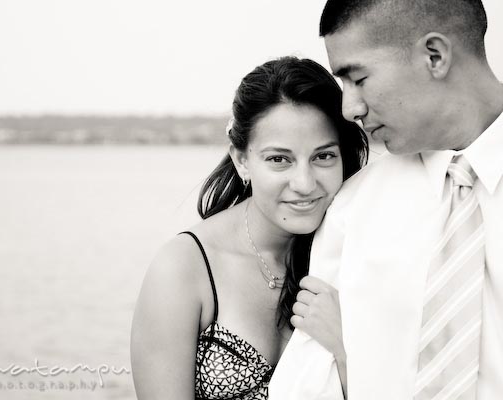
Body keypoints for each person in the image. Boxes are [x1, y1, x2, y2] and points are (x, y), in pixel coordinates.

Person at [269, 1, 503, 399]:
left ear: (435, 56)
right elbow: (307, 386)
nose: (349, 109)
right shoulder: (353, 209)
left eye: (358, 78)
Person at [130, 56, 368, 400]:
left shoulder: (353, 252)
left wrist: (347, 350)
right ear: (242, 160)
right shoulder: (184, 269)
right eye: (279, 159)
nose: (304, 183)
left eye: (323, 156)